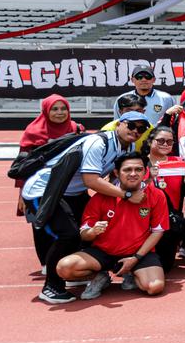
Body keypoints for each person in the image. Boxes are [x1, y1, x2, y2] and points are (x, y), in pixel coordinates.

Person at [22, 112, 145, 304]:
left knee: (90, 229)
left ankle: (80, 273)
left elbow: (114, 178)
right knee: (68, 235)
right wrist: (127, 195)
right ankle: (51, 287)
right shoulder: (98, 143)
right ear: (120, 124)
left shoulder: (124, 147)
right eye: (131, 126)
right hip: (46, 190)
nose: (136, 131)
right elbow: (91, 180)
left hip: (73, 192)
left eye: (141, 128)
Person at [58, 152, 168, 301]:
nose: (133, 174)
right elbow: (84, 234)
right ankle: (100, 277)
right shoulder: (101, 196)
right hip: (103, 252)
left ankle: (131, 274)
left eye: (138, 169)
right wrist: (92, 231)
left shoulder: (156, 195)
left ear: (145, 172)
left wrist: (135, 259)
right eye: (127, 170)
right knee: (64, 268)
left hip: (138, 253)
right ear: (117, 172)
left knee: (155, 287)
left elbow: (157, 232)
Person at [17, 94, 85, 264]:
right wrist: (21, 194)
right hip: (41, 188)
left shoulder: (77, 129)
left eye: (64, 109)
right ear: (46, 111)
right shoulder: (33, 133)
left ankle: (72, 259)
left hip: (71, 186)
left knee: (74, 222)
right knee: (42, 224)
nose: (60, 113)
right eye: (54, 109)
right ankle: (47, 262)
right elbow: (23, 166)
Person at [145, 125, 185, 273]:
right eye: (160, 141)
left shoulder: (178, 162)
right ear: (149, 142)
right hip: (144, 221)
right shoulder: (139, 163)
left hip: (169, 223)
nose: (165, 145)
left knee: (165, 266)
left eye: (170, 142)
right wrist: (149, 178)